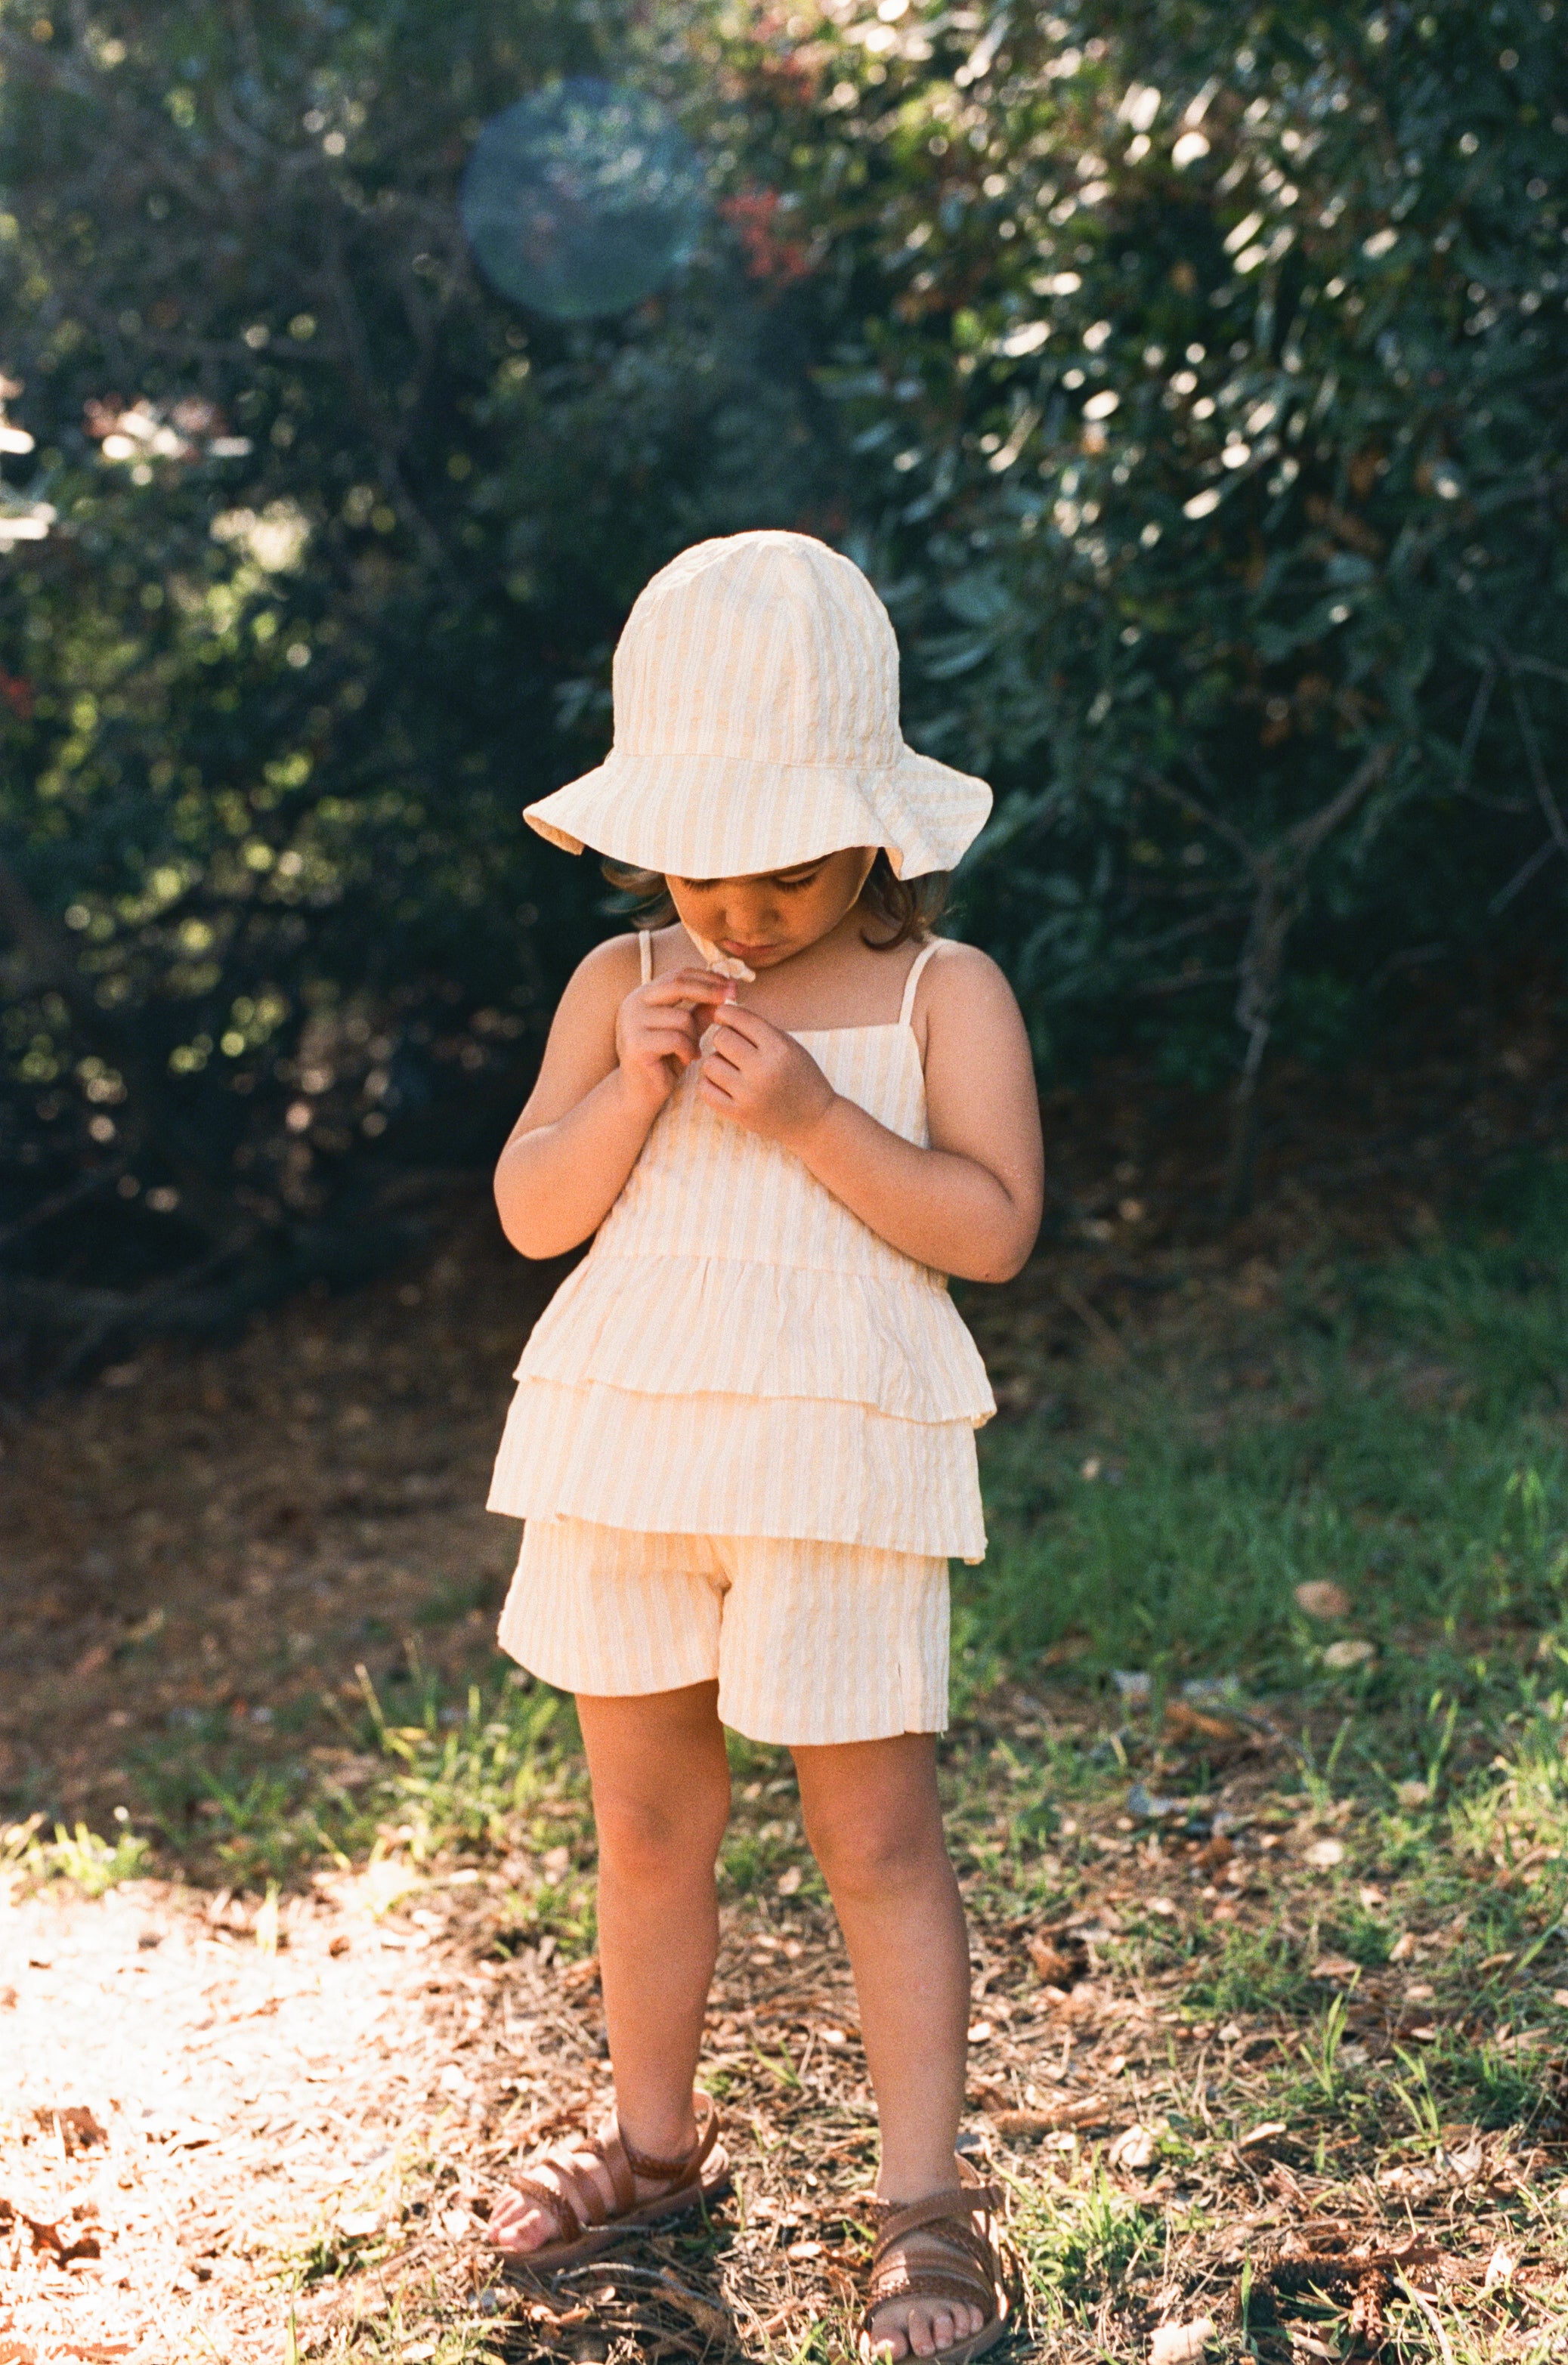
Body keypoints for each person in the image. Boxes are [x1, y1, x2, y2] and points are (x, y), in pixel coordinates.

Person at [484, 530, 1043, 2363]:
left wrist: (810, 1119)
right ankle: (654, 2142)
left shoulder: (935, 995)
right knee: (645, 1817)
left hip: (835, 1456)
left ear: (872, 827)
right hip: (632, 1448)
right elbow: (532, 1214)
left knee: (872, 1829)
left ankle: (927, 2203)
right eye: (698, 867)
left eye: (783, 871)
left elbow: (991, 1224)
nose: (734, 913)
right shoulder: (624, 979)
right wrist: (632, 1085)